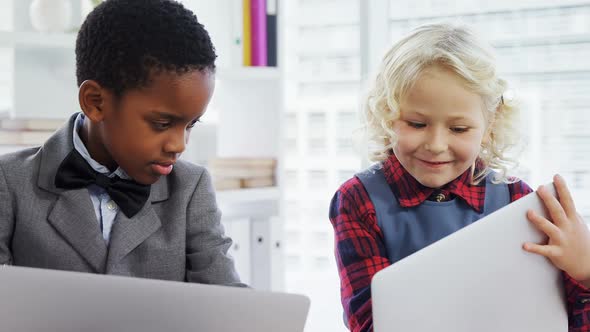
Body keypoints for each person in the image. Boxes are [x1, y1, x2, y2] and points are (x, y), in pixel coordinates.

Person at [329, 23, 590, 331]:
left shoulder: (518, 201)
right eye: (416, 123)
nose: (436, 145)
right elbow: (370, 321)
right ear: (387, 114)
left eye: (458, 129)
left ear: (489, 124)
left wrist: (584, 270)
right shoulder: (359, 199)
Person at [0, 0, 244, 287]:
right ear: (95, 102)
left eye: (190, 124)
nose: (178, 145)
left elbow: (227, 300)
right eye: (162, 124)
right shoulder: (9, 183)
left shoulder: (191, 188)